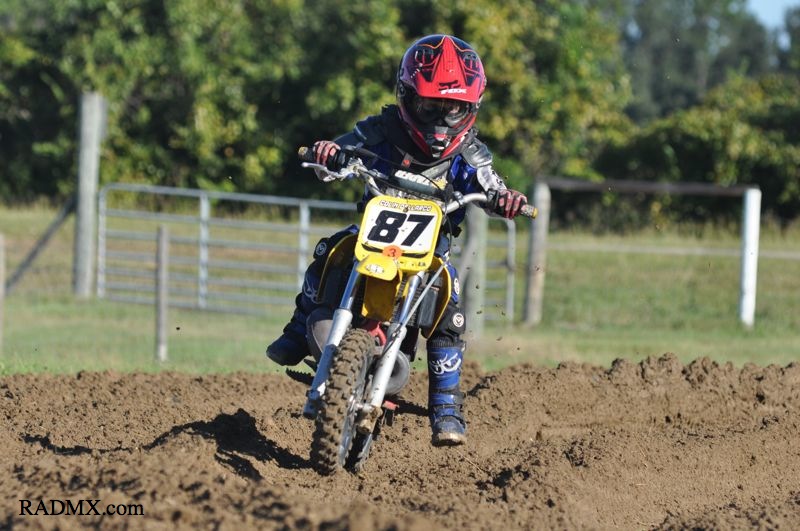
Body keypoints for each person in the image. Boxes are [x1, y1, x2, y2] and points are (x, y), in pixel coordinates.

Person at [266, 34, 528, 446]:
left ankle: (446, 405)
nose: (440, 122)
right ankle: (300, 329)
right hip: (371, 239)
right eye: (429, 107)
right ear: (406, 96)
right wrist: (328, 153)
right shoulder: (381, 130)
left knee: (450, 308)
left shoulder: (470, 155)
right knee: (330, 251)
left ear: (471, 108)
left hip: (430, 255)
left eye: (452, 110)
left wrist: (506, 199)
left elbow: (492, 186)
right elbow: (338, 152)